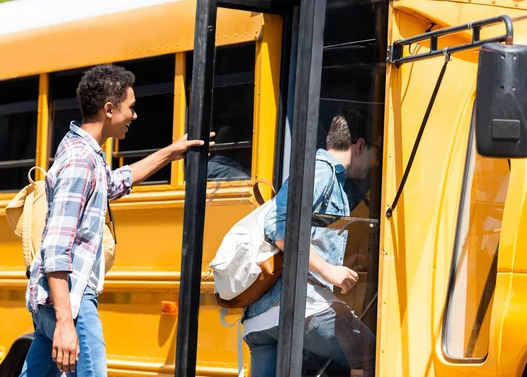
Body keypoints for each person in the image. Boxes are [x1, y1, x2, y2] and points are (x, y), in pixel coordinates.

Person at [20, 65, 211, 376]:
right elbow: (56, 246)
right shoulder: (81, 160)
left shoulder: (83, 152)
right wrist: (67, 321)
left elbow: (113, 183)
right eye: (130, 107)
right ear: (109, 109)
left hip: (57, 300)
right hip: (73, 299)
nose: (134, 116)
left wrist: (171, 153)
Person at [242, 107, 380, 377]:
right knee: (379, 354)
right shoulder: (322, 171)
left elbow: (303, 235)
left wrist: (336, 264)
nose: (375, 163)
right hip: (296, 308)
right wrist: (328, 270)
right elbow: (279, 225)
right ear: (360, 145)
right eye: (376, 154)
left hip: (261, 319)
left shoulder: (325, 175)